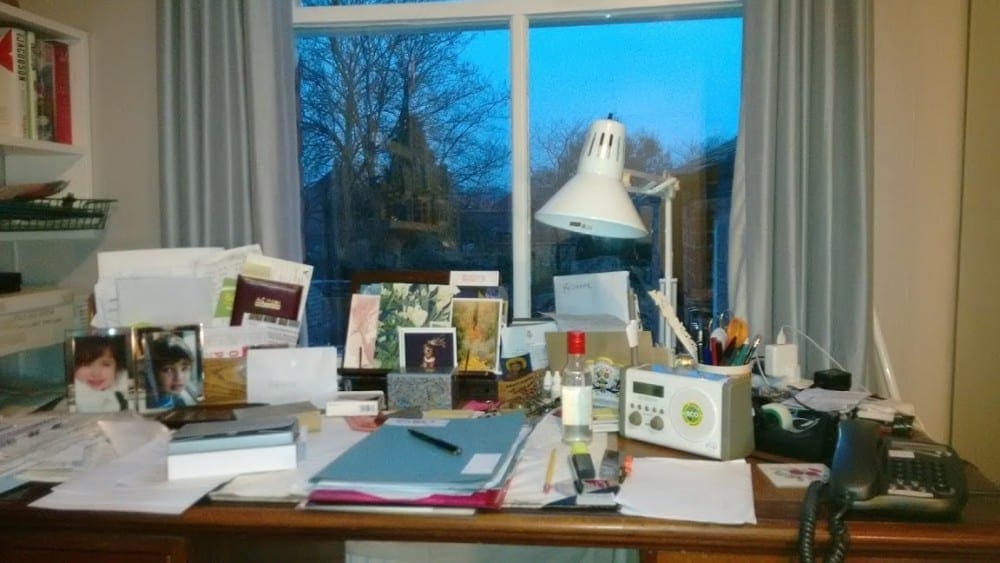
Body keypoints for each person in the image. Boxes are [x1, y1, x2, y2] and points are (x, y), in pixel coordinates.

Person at [72, 335, 130, 413]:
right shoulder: (75, 395)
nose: (96, 373)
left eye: (106, 364)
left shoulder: (125, 384)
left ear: (117, 368)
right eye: (85, 364)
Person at [145, 333, 199, 408]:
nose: (179, 377)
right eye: (168, 369)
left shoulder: (175, 397)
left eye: (184, 368)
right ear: (153, 372)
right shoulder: (150, 403)